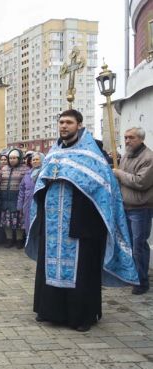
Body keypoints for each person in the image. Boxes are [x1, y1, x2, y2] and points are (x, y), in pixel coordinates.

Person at [26, 109, 139, 332]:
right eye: (61, 122)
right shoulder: (53, 153)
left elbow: (104, 188)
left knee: (82, 270)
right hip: (53, 223)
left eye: (68, 122)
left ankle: (82, 316)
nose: (64, 126)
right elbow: (41, 184)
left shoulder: (92, 154)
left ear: (79, 125)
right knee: (50, 265)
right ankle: (49, 310)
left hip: (82, 222)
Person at [114, 127, 153, 295]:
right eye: (125, 137)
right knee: (128, 245)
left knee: (138, 246)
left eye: (131, 138)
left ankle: (142, 281)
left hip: (141, 208)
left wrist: (119, 173)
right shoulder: (126, 156)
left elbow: (141, 182)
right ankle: (132, 276)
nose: (127, 141)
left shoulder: (149, 157)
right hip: (126, 207)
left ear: (141, 139)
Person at [0, 149, 29, 248]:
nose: (12, 160)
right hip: (5, 197)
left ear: (19, 158)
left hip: (18, 198)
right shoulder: (3, 168)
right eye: (10, 158)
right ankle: (9, 239)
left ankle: (19, 240)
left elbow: (26, 184)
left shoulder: (25, 169)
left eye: (14, 158)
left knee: (19, 221)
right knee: (6, 221)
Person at [17, 152, 45, 235]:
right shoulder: (27, 174)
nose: (35, 161)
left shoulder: (45, 173)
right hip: (27, 204)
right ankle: (30, 245)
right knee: (28, 225)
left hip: (40, 204)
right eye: (33, 160)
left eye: (37, 159)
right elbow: (22, 190)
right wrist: (20, 205)